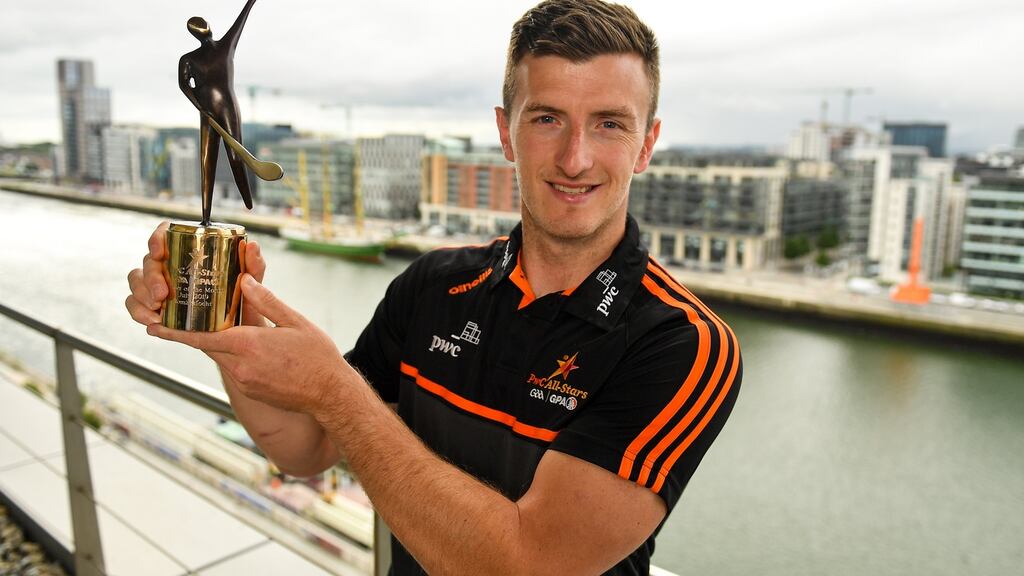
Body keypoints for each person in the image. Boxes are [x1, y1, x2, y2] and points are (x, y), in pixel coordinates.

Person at [126, 1, 741, 573]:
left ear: (646, 146)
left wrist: (336, 390)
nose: (575, 157)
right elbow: (304, 450)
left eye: (609, 124)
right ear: (506, 132)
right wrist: (220, 315)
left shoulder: (684, 345)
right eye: (547, 118)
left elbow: (527, 563)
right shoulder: (432, 285)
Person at [178, 0, 257, 225]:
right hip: (215, 110)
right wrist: (201, 108)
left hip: (218, 109)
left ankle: (241, 202)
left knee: (225, 156)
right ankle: (209, 215)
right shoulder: (199, 56)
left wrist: (201, 106)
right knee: (214, 157)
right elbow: (185, 85)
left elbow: (185, 86)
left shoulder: (211, 51)